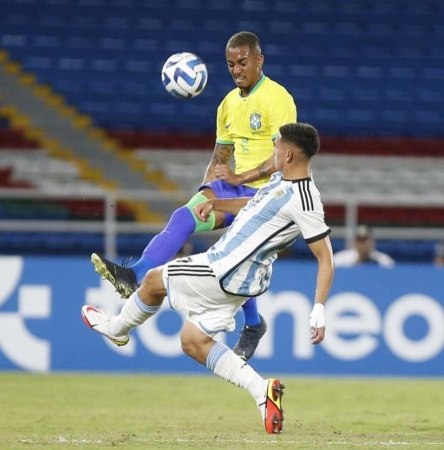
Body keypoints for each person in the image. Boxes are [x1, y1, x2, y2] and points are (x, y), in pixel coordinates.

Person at [82, 123, 334, 434]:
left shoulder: (306, 200)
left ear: (288, 154)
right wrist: (215, 203)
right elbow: (253, 205)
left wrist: (318, 308)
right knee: (193, 342)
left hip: (223, 269)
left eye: (275, 147)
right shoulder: (282, 182)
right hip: (240, 280)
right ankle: (262, 392)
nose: (272, 153)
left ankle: (116, 329)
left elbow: (325, 257)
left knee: (151, 280)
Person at [92, 31, 297, 361]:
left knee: (233, 256)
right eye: (230, 64)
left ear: (259, 60)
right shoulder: (228, 105)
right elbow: (219, 158)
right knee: (182, 217)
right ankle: (136, 274)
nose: (236, 69)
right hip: (232, 187)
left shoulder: (278, 99)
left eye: (243, 62)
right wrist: (204, 193)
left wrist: (239, 177)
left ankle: (254, 323)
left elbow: (283, 158)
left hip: (267, 193)